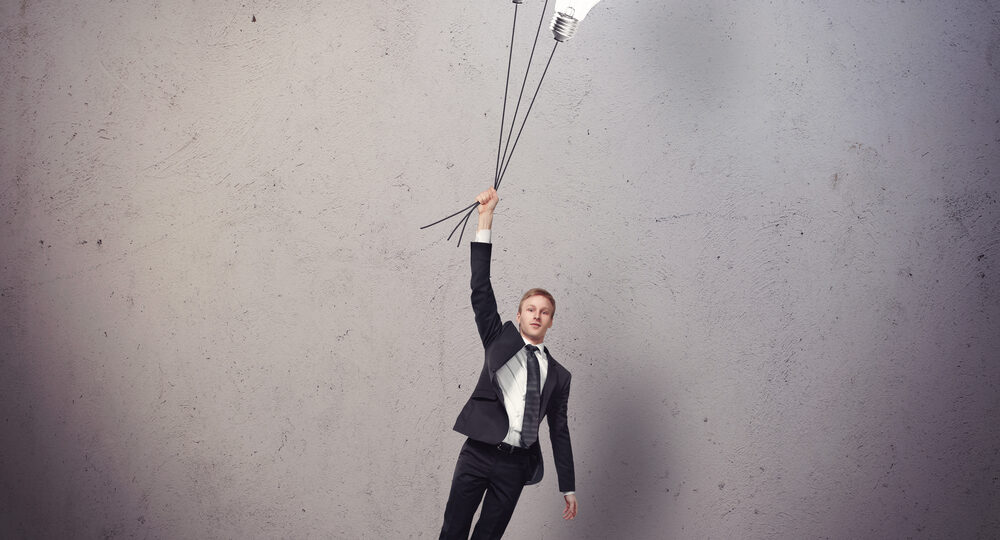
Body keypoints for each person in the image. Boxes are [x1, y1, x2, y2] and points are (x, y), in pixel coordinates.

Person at [439, 187, 578, 540]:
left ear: (551, 321)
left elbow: (559, 430)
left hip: (516, 465)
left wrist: (568, 486)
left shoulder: (559, 376)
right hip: (478, 452)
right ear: (519, 315)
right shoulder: (499, 338)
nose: (537, 315)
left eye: (544, 312)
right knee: (453, 532)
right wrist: (485, 219)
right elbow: (480, 289)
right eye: (530, 309)